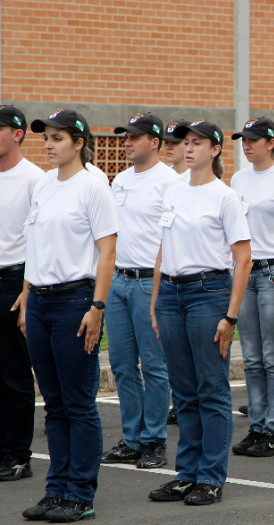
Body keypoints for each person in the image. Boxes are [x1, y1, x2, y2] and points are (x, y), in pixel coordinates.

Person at [147, 119, 252, 506]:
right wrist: (156, 302)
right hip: (171, 294)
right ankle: (186, 473)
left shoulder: (225, 197)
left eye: (197, 143)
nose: (188, 149)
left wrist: (230, 316)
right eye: (185, 143)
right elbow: (163, 248)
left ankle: (210, 476)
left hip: (208, 294)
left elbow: (243, 260)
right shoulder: (173, 192)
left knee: (211, 389)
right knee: (184, 392)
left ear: (216, 150)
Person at [21, 109, 118, 522]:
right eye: (46, 137)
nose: (49, 144)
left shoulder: (93, 186)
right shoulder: (44, 185)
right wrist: (27, 294)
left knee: (78, 403)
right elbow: (36, 244)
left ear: (79, 143)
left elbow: (107, 252)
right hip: (41, 302)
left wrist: (97, 307)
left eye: (58, 138)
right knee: (54, 403)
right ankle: (56, 489)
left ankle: (80, 493)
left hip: (75, 301)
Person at [101, 113, 179, 470]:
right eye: (126, 137)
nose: (128, 142)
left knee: (154, 365)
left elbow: (172, 237)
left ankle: (154, 440)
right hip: (119, 280)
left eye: (135, 137)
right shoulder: (120, 180)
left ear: (155, 142)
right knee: (121, 364)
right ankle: (132, 438)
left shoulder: (170, 182)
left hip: (151, 282)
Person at [229, 117, 274, 458]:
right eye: (243, 140)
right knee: (252, 358)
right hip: (246, 272)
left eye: (253, 140)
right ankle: (257, 427)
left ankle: (273, 431)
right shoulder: (238, 179)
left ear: (271, 143)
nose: (247, 145)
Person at [0, 106, 45, 483]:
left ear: (17, 134)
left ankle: (17, 454)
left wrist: (29, 291)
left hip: (16, 280)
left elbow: (41, 240)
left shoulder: (34, 179)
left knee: (14, 372)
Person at [162, 119, 190, 427]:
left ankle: (184, 402)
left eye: (176, 142)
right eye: (166, 141)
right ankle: (177, 401)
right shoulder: (165, 181)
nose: (169, 146)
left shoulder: (195, 182)